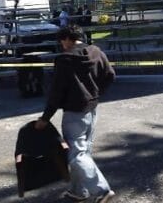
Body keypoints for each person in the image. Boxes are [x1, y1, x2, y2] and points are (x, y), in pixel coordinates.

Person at [35, 24, 115, 203]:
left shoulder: (64, 59)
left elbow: (56, 92)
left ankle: (101, 190)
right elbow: (110, 74)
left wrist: (45, 118)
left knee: (76, 154)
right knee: (84, 151)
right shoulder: (96, 51)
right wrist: (96, 94)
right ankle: (79, 191)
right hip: (92, 109)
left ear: (66, 39)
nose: (62, 45)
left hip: (74, 112)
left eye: (61, 41)